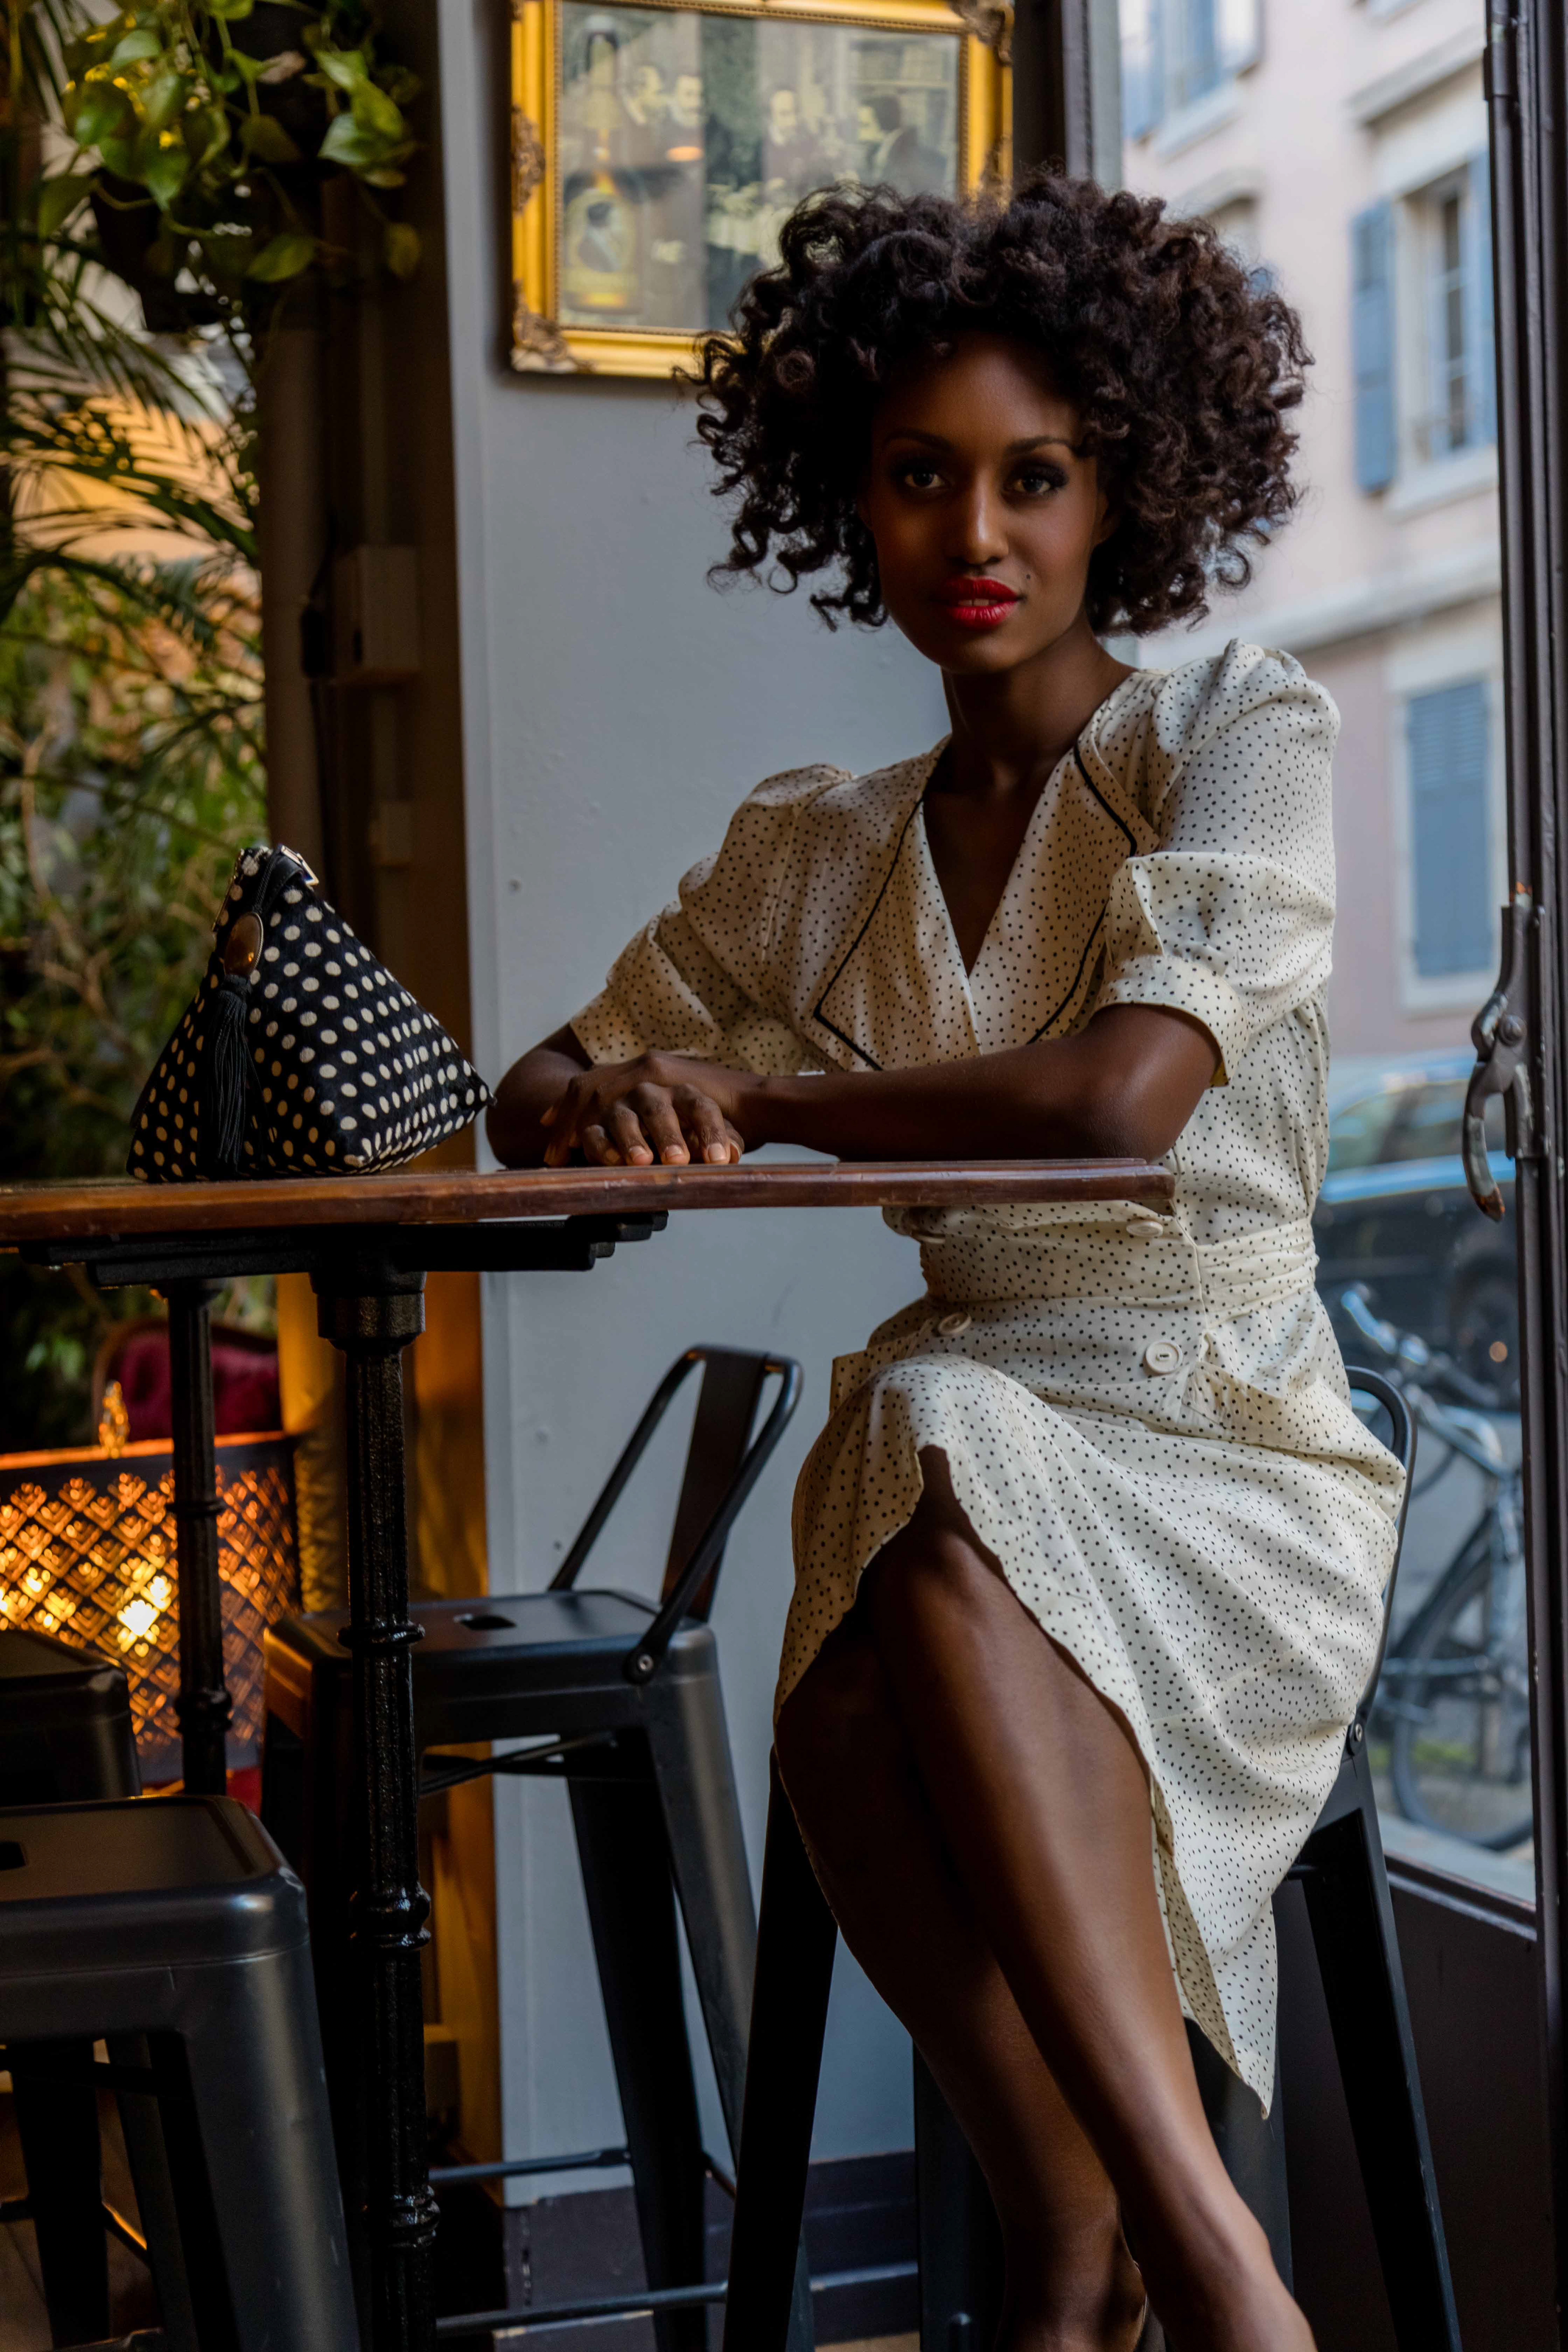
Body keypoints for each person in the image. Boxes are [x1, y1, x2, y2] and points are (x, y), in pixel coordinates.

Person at [488, 174, 1401, 2352]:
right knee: (868, 1601)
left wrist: (767, 1093)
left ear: (1124, 491)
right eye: (919, 476)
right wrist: (622, 1095)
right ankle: (1071, 2231)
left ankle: (1199, 2248)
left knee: (916, 1435)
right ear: (851, 497)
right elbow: (538, 1089)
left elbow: (1118, 1108)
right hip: (966, 1444)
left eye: (1034, 476)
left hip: (1225, 1440)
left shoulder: (1235, 734)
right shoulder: (813, 849)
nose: (974, 533)